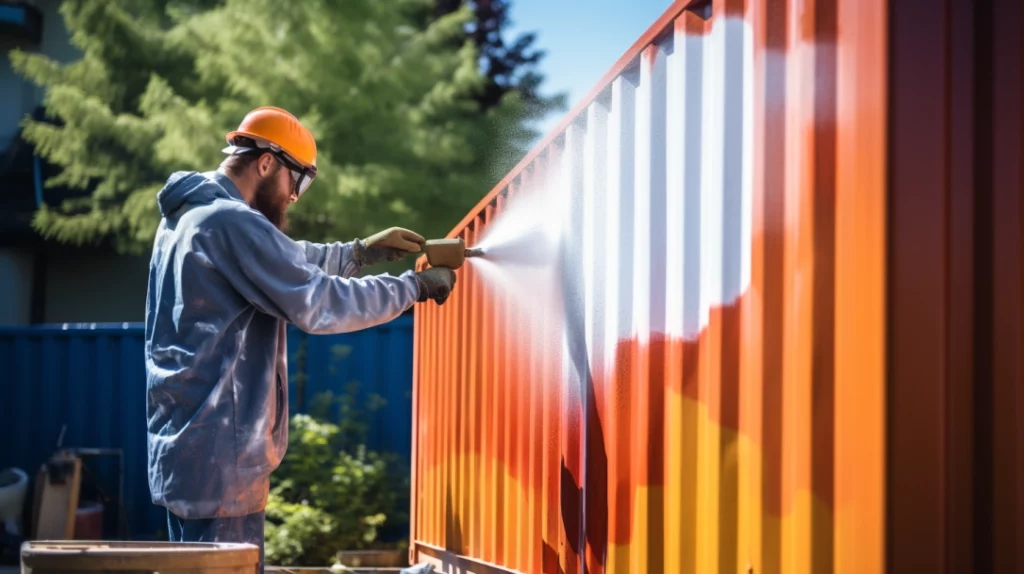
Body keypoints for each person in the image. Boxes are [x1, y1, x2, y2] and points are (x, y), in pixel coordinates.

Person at [144, 106, 456, 571]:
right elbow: (319, 302)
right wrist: (412, 289)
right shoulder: (227, 222)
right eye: (299, 180)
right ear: (266, 163)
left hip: (188, 448)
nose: (295, 197)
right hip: (221, 455)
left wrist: (359, 254)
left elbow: (282, 259)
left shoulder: (188, 217)